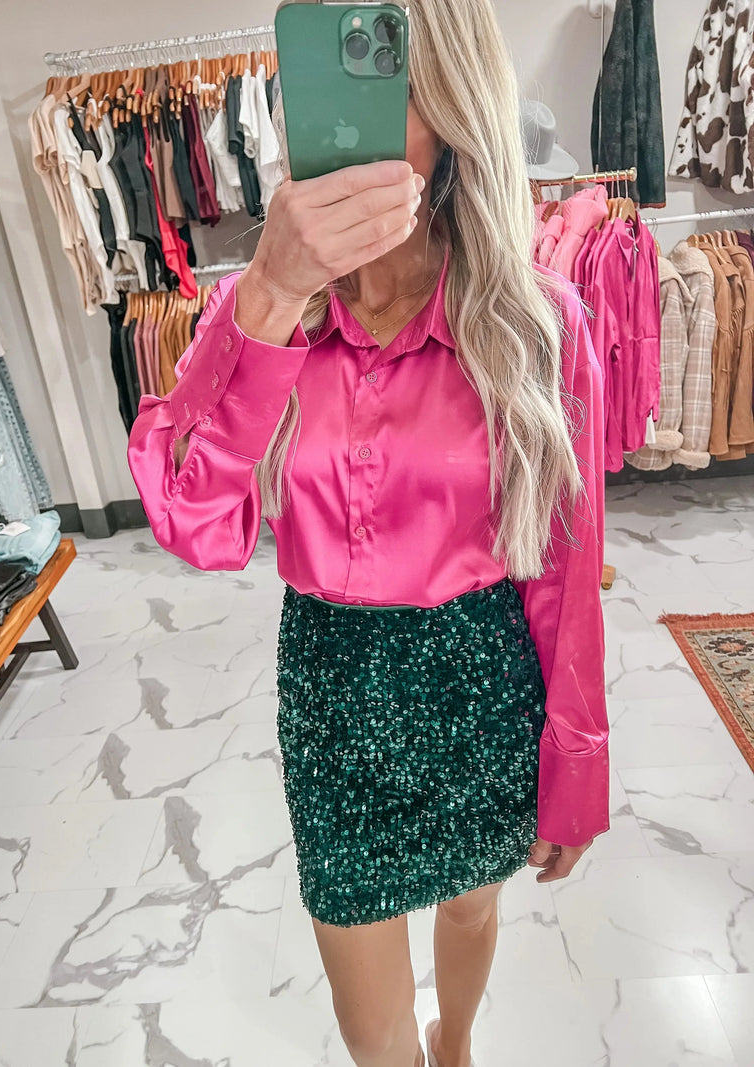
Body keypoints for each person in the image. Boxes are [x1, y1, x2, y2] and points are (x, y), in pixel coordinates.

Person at [127, 1, 610, 1063]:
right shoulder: (263, 314)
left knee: (473, 907)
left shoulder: (533, 325)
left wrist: (576, 762)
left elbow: (564, 568)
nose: (354, 113)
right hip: (332, 687)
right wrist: (268, 293)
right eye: (330, 75)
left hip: (481, 674)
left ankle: (459, 1038)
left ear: (452, 106)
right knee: (368, 1020)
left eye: (391, 78)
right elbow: (192, 519)